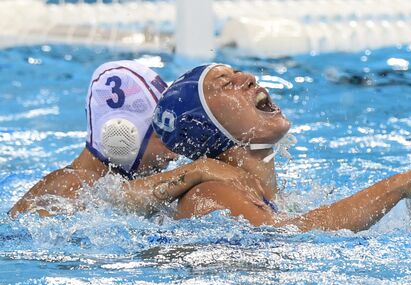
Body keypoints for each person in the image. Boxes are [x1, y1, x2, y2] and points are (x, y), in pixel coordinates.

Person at [151, 64, 411, 232]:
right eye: (226, 84)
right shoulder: (210, 194)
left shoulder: (266, 196)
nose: (250, 79)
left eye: (240, 73)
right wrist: (397, 186)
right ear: (205, 127)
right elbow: (288, 235)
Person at [9, 61, 261, 218]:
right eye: (162, 136)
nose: (175, 152)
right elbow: (115, 204)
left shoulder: (116, 179)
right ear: (121, 134)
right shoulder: (69, 184)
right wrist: (198, 170)